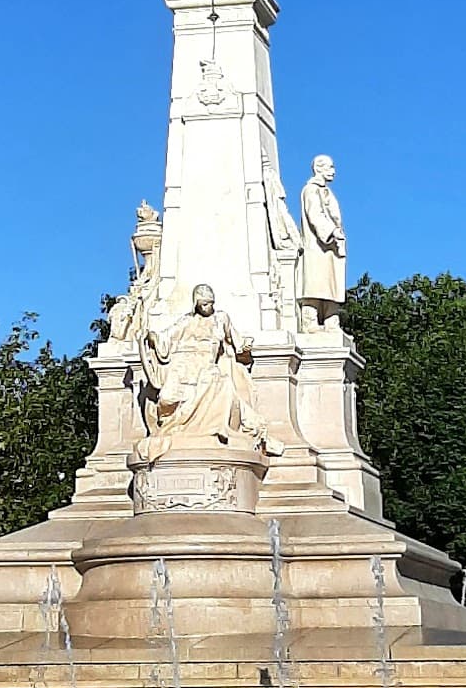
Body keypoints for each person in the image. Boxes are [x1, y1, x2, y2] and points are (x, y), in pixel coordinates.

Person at [137, 284, 270, 461]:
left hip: (205, 366)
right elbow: (166, 337)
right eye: (202, 304)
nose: (206, 307)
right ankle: (173, 426)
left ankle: (200, 429)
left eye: (208, 303)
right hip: (182, 365)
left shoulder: (221, 319)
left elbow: (236, 340)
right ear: (196, 305)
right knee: (166, 398)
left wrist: (244, 346)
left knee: (212, 384)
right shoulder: (187, 321)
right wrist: (150, 336)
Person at [299, 155, 346, 331]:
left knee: (331, 283)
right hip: (318, 245)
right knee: (316, 282)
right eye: (330, 167)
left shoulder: (325, 190)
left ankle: (331, 319)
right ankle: (310, 320)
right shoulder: (310, 190)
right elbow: (315, 214)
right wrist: (331, 231)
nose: (333, 171)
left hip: (331, 246)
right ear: (319, 168)